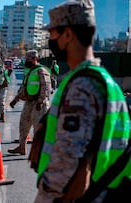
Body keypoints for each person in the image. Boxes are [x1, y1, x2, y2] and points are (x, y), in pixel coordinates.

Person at [34, 0, 131, 202]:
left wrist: (45, 194)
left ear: (67, 34)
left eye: (52, 33)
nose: (49, 39)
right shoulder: (108, 83)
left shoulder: (82, 87)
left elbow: (67, 165)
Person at [8, 50, 51, 155]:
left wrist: (40, 102)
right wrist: (15, 100)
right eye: (26, 59)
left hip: (39, 104)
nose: (26, 61)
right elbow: (24, 88)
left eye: (28, 59)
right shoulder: (29, 72)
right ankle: (22, 147)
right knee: (23, 125)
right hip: (29, 103)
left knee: (38, 128)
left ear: (34, 59)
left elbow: (46, 87)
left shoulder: (41, 70)